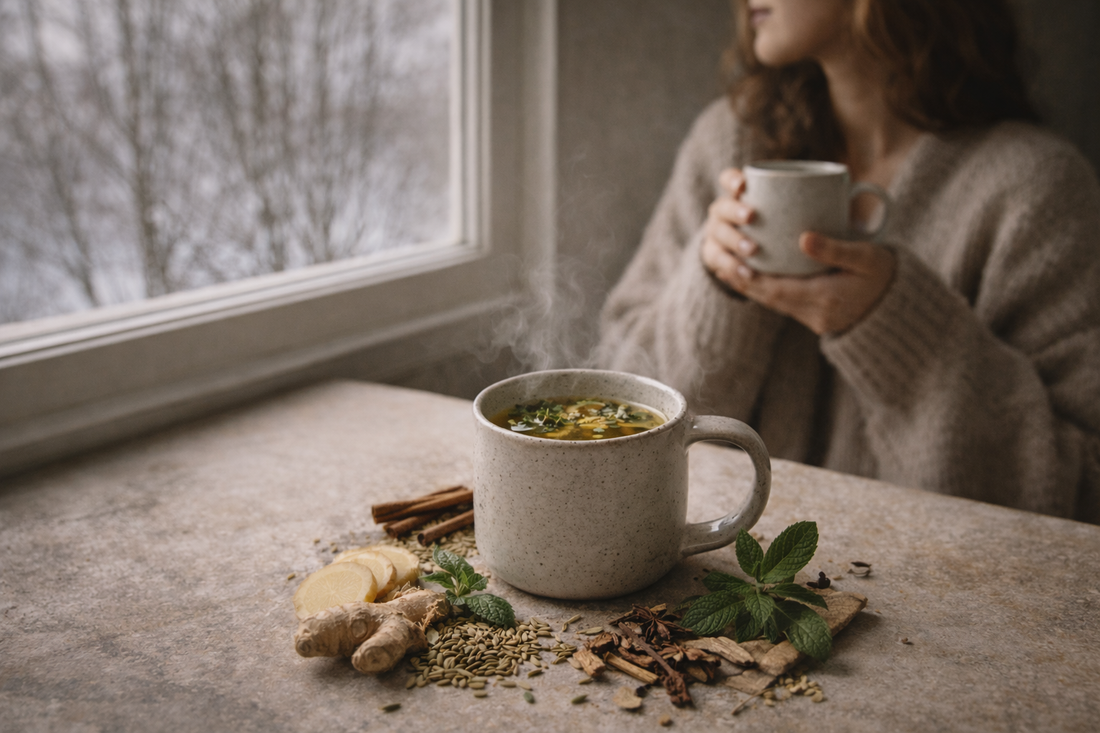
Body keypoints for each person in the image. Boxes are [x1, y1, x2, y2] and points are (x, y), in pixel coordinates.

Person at [596, 0, 1100, 523]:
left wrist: (895, 329)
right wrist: (717, 289)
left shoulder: (1033, 188)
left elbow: (1080, 493)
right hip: (725, 568)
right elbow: (614, 408)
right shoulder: (729, 141)